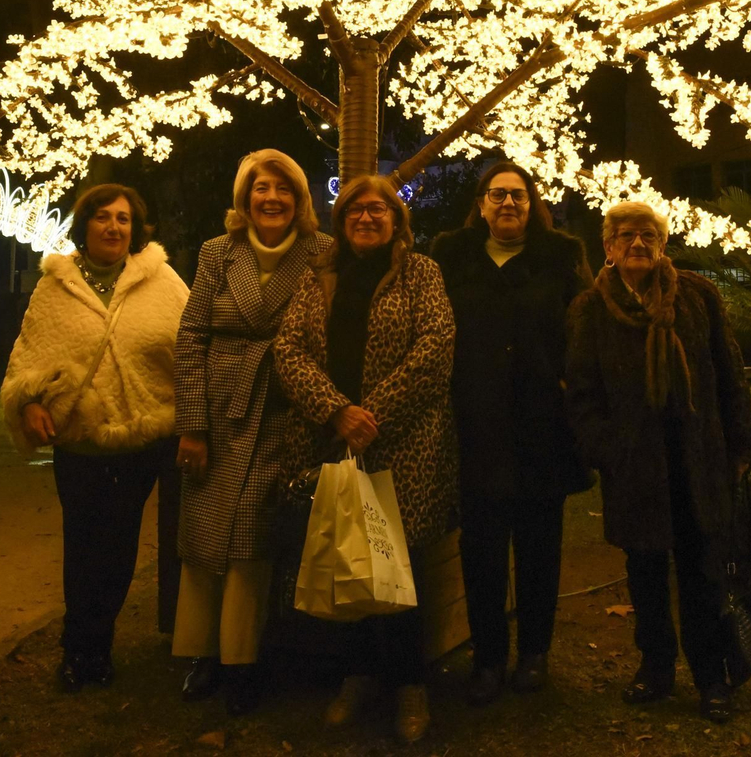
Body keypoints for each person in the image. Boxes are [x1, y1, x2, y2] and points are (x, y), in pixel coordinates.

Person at [274, 174, 457, 744]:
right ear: (341, 220)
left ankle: (410, 685)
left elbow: (436, 345)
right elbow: (288, 349)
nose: (367, 218)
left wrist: (368, 415)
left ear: (396, 220)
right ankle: (355, 676)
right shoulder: (320, 278)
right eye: (356, 211)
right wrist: (335, 412)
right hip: (332, 440)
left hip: (403, 443)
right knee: (346, 555)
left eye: (378, 210)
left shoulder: (420, 272)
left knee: (399, 565)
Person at [563, 201, 751, 722]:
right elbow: (582, 394)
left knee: (702, 571)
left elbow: (729, 372)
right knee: (644, 571)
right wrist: (607, 450)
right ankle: (655, 667)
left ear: (663, 244)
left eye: (648, 235)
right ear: (608, 247)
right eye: (625, 236)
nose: (637, 244)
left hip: (696, 458)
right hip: (635, 466)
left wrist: (740, 445)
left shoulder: (697, 296)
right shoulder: (591, 310)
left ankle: (711, 675)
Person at [1, 184, 189, 692]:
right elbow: (30, 355)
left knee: (120, 547)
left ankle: (98, 647)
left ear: (136, 228)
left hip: (139, 441)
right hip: (78, 443)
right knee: (82, 547)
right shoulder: (54, 286)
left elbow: (190, 349)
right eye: (103, 217)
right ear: (84, 225)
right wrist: (31, 402)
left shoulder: (163, 281)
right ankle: (76, 649)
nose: (113, 227)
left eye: (124, 219)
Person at [171, 150, 333, 715]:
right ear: (244, 199)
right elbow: (191, 337)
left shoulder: (321, 253)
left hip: (286, 412)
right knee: (205, 533)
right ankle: (200, 652)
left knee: (253, 538)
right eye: (260, 188)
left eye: (283, 189)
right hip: (219, 412)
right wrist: (193, 425)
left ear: (299, 200)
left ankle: (243, 659)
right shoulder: (219, 253)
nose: (271, 198)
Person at [430, 162, 591, 705]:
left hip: (542, 427)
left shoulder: (561, 256)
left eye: (518, 196)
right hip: (475, 426)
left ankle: (535, 654)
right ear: (480, 204)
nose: (507, 204)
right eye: (497, 195)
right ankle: (489, 658)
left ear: (532, 203)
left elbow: (584, 332)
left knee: (540, 548)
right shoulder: (450, 256)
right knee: (482, 552)